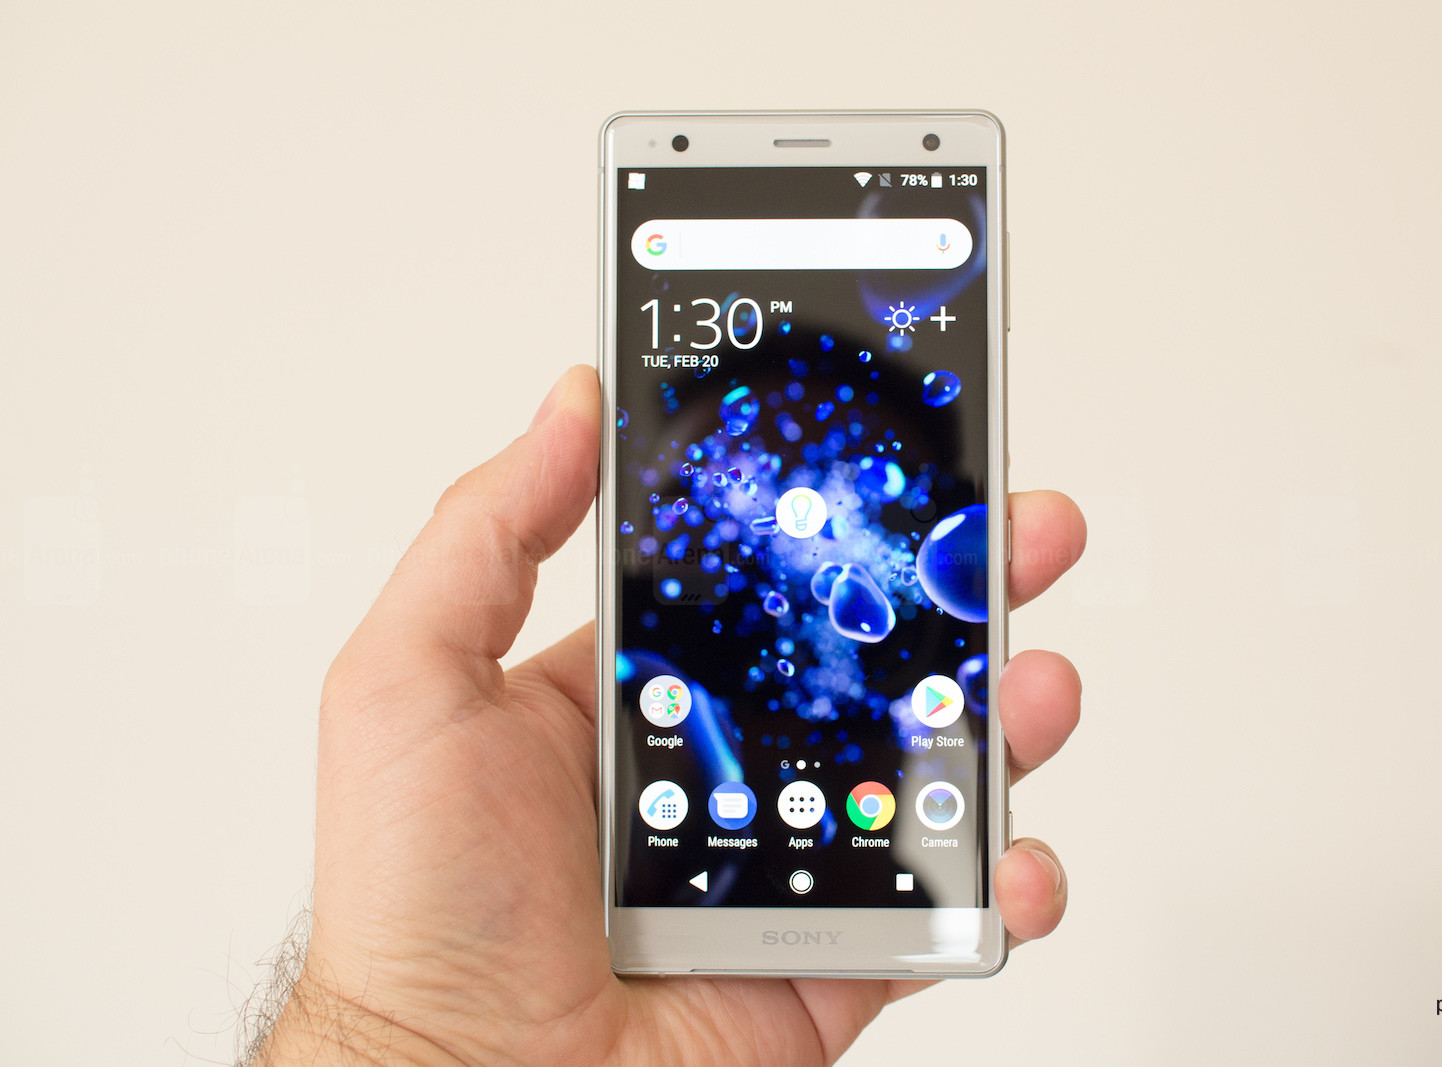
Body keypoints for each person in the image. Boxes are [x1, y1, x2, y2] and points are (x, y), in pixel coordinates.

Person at [248, 366, 1087, 1065]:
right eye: (722, 592)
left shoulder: (907, 830)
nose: (776, 639)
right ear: (651, 592)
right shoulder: (588, 765)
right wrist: (422, 1036)